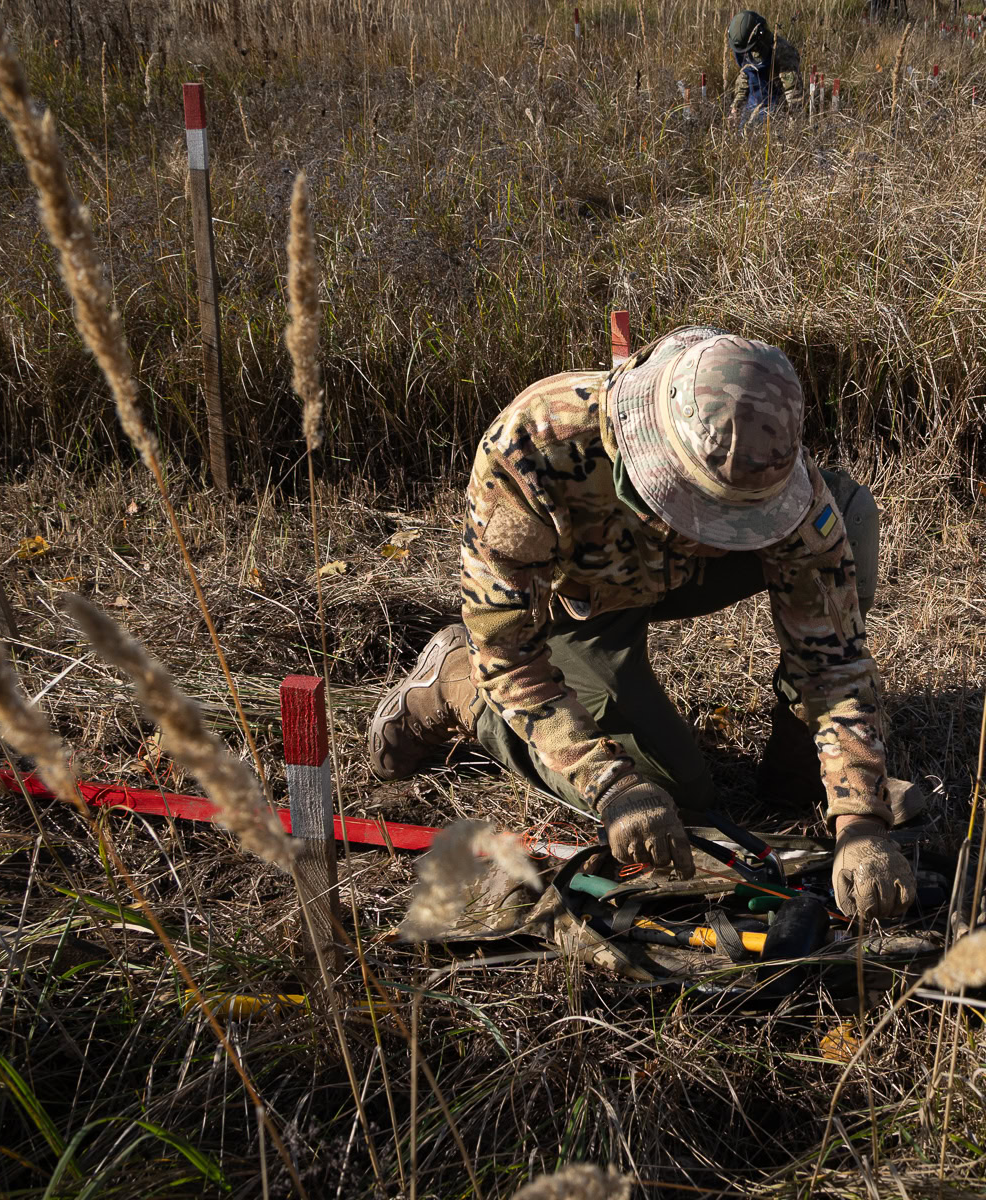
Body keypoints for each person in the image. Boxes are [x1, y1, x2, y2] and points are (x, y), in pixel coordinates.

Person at [367, 326, 919, 921]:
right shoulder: (532, 451)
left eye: (735, 516)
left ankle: (797, 770)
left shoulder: (783, 486)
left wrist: (860, 817)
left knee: (848, 512)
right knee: (676, 801)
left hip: (683, 577)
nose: (708, 528)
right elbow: (510, 656)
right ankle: (454, 681)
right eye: (698, 507)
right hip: (581, 602)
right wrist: (611, 786)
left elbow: (833, 662)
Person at [727, 10, 802, 124]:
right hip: (751, 107)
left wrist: (794, 125)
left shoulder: (782, 52)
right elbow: (745, 75)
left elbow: (793, 91)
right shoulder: (744, 48)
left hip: (777, 109)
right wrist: (736, 107)